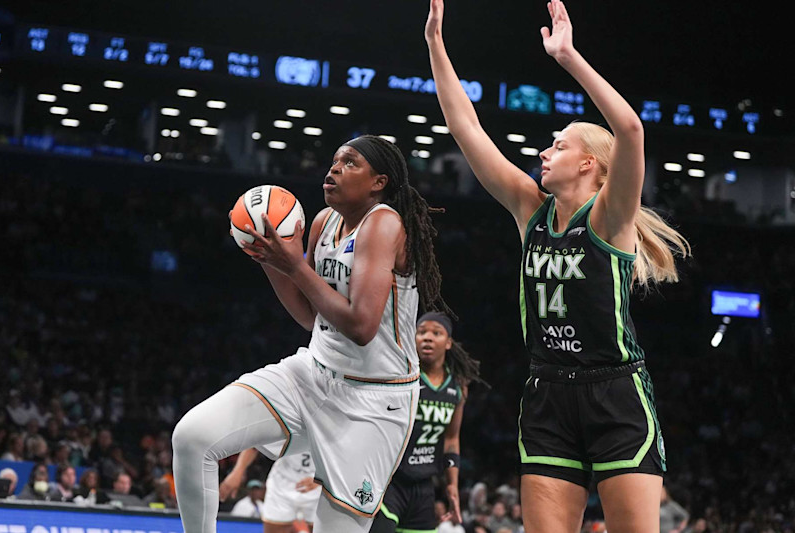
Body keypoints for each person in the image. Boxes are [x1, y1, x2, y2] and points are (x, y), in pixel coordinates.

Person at [425, 1, 691, 532]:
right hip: (547, 393)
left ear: (589, 164)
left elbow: (632, 130)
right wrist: (435, 44)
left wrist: (568, 57)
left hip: (616, 393)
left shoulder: (611, 217)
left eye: (558, 145)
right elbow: (466, 127)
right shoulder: (531, 210)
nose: (544, 152)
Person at [173, 134, 451, 533]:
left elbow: (360, 326)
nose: (334, 168)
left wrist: (295, 265)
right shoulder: (324, 221)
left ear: (379, 182)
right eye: (335, 160)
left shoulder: (385, 224)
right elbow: (309, 316)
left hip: (373, 401)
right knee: (193, 436)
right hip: (313, 373)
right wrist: (269, 254)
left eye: (350, 163)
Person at [370, 312, 484, 533]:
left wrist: (452, 485)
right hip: (390, 482)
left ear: (448, 343)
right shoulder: (401, 376)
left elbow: (451, 439)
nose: (427, 338)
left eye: (436, 333)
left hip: (424, 486)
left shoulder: (458, 387)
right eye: (421, 332)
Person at [220, 448, 320, 532]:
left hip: (321, 484)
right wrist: (237, 472)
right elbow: (257, 443)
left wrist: (322, 478)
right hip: (283, 481)